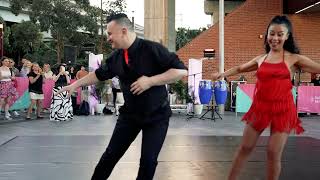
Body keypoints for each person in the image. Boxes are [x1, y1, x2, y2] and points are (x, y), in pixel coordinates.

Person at [56, 13, 187, 180]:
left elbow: (181, 71)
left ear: (123, 31)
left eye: (110, 33)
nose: (108, 38)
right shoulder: (116, 57)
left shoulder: (152, 49)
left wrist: (151, 81)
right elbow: (98, 74)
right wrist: (74, 84)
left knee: (148, 161)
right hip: (130, 116)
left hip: (157, 116)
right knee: (110, 155)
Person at [213, 15, 320, 180]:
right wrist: (222, 74)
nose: (275, 38)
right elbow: (240, 68)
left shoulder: (294, 58)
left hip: (283, 110)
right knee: (245, 147)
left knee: (273, 152)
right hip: (260, 108)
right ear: (267, 34)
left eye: (279, 34)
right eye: (272, 33)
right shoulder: (261, 59)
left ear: (287, 36)